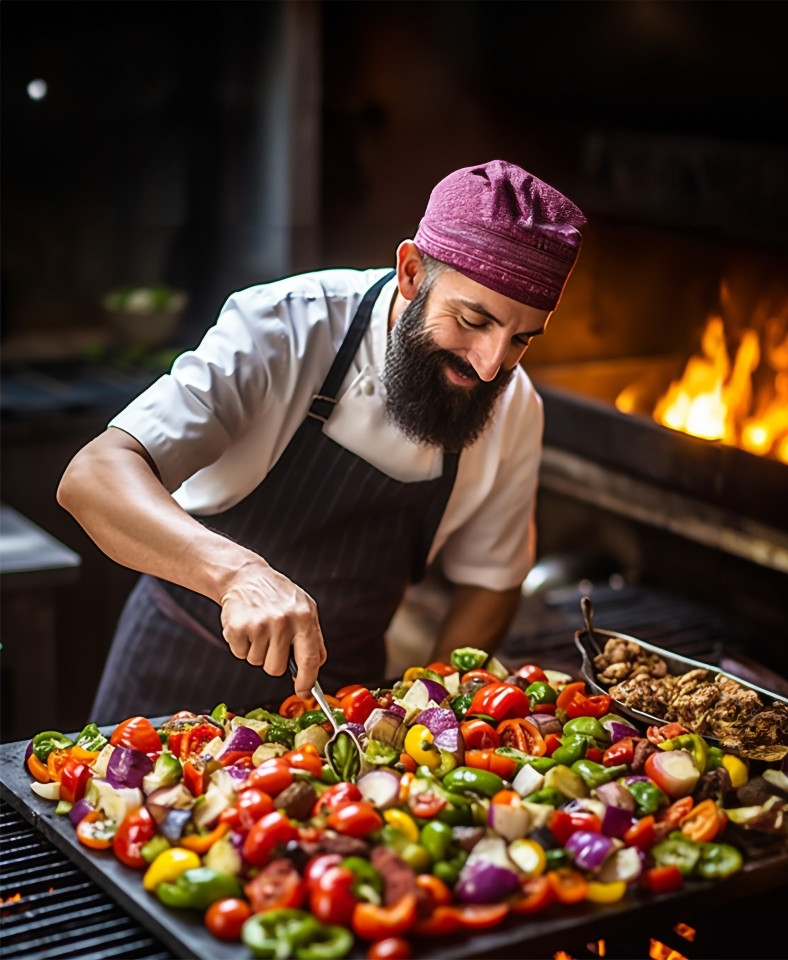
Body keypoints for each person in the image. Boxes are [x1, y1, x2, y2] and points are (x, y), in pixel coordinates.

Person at [58, 159, 587, 722]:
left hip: (342, 705)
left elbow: (491, 581)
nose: (489, 367)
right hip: (175, 679)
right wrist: (237, 575)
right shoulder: (284, 327)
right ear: (410, 273)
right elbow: (93, 476)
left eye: (521, 341)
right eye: (472, 321)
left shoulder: (513, 403)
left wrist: (439, 713)